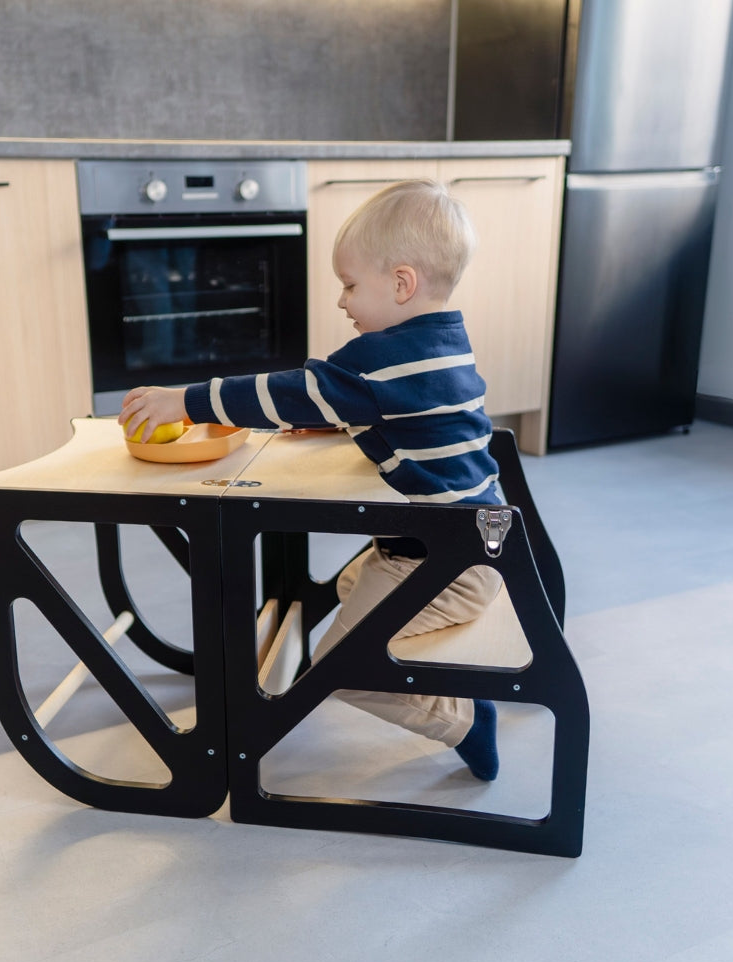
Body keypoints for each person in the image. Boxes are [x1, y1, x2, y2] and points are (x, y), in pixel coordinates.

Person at [119, 179, 502, 781]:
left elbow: (285, 392)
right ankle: (398, 649)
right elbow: (404, 411)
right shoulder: (441, 340)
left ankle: (464, 720)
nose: (343, 302)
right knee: (352, 583)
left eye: (350, 285)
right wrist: (334, 420)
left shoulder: (377, 360)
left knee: (342, 668)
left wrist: (188, 403)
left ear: (402, 284)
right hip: (474, 546)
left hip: (444, 565)